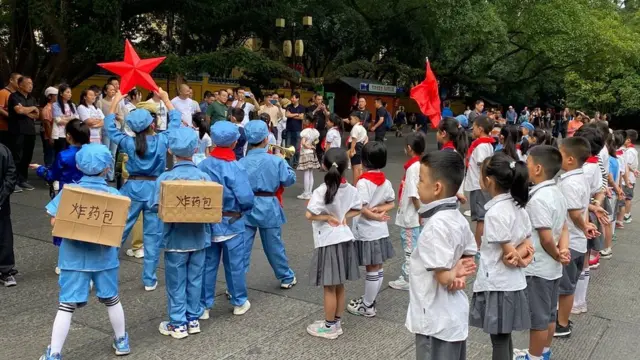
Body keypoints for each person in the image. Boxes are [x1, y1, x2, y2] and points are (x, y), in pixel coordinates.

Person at [39, 143, 130, 360]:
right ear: (107, 168)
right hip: (104, 258)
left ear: (79, 165)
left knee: (66, 305)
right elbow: (120, 223)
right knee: (112, 299)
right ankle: (122, 341)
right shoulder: (114, 195)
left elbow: (54, 221)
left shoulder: (70, 193)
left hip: (73, 258)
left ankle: (54, 352)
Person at [105, 88, 180, 291]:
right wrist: (166, 98)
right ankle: (149, 279)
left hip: (132, 188)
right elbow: (176, 123)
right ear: (152, 124)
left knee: (118, 232)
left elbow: (110, 129)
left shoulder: (128, 142)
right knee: (152, 237)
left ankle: (103, 274)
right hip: (155, 190)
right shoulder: (161, 140)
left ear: (131, 127)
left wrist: (115, 101)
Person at [406, 150, 477, 360]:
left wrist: (453, 274)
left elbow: (444, 277)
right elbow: (469, 257)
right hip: (452, 315)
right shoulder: (457, 218)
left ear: (437, 188)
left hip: (435, 320)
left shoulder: (435, 226)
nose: (417, 184)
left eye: (420, 180)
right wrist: (461, 276)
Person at [470, 152, 534, 360]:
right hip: (512, 282)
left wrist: (517, 257)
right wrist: (523, 256)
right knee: (504, 337)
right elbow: (526, 243)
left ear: (488, 181)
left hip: (497, 283)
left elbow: (509, 253)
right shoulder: (518, 206)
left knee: (498, 339)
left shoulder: (495, 213)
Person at [150, 127, 211, 339]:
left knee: (176, 282)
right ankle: (193, 319)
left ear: (170, 150)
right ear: (196, 148)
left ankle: (177, 323)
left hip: (174, 240)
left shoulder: (165, 179)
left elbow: (154, 206)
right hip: (200, 238)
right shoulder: (204, 177)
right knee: (195, 280)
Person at [513, 146, 569, 360]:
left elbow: (545, 238)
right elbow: (563, 227)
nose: (524, 167)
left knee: (538, 319)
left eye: (527, 163)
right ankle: (543, 353)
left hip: (539, 267)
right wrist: (562, 251)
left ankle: (533, 357)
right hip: (552, 268)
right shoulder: (557, 192)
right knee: (549, 315)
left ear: (537, 169)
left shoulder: (538, 200)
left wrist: (556, 254)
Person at [198, 121, 254, 319]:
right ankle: (238, 300)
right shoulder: (235, 167)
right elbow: (246, 198)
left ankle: (204, 306)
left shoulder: (202, 165)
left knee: (207, 264)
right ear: (234, 143)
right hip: (233, 221)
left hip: (208, 221)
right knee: (235, 265)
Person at [305, 148, 362, 339]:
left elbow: (309, 214)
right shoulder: (351, 189)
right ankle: (336, 322)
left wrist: (327, 216)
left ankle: (330, 327)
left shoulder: (321, 190)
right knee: (339, 284)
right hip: (345, 239)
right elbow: (358, 209)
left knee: (329, 286)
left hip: (328, 241)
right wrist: (344, 215)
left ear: (324, 165)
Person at [240, 120, 297, 288]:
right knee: (274, 245)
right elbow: (288, 180)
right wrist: (283, 161)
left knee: (242, 248)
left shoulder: (241, 162)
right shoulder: (276, 160)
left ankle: (236, 283)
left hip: (247, 204)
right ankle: (286, 277)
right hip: (269, 205)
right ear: (266, 138)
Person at [554, 137, 598, 338]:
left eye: (560, 154)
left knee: (565, 287)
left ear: (570, 159)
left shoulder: (570, 182)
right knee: (568, 285)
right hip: (578, 242)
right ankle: (561, 318)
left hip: (571, 240)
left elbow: (574, 213)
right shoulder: (579, 177)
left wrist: (584, 226)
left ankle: (561, 324)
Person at [346, 142, 395, 317]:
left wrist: (375, 215)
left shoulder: (363, 183)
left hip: (368, 232)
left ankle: (367, 305)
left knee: (371, 268)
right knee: (378, 266)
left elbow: (361, 208)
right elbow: (391, 203)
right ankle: (369, 299)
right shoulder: (386, 182)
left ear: (365, 161)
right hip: (380, 230)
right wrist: (381, 211)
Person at [31, 119, 90, 249]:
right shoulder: (92, 152)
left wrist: (40, 169)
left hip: (68, 194)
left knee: (63, 226)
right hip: (90, 192)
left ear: (68, 136)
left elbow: (52, 175)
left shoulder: (64, 155)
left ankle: (64, 261)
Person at [389, 133, 426, 291]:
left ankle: (409, 278)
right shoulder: (420, 164)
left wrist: (420, 213)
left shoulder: (413, 167)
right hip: (414, 214)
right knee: (414, 246)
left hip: (411, 215)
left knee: (410, 248)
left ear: (409, 148)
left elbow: (413, 193)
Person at [464, 115, 495, 248]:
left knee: (481, 218)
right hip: (480, 184)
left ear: (480, 129)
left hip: (479, 185)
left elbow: (483, 164)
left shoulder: (481, 146)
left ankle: (477, 246)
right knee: (482, 216)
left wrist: (483, 183)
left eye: (474, 128)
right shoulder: (486, 143)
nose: (473, 130)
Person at [7, 76, 39, 191]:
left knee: (27, 157)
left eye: (32, 83)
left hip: (30, 131)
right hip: (17, 131)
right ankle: (13, 181)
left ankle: (23, 180)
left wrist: (26, 110)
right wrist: (31, 109)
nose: (31, 85)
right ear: (20, 85)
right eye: (28, 83)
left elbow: (36, 114)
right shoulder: (14, 96)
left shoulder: (32, 98)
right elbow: (18, 110)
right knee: (17, 157)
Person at [97, 83, 123, 181]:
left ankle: (110, 176)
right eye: (110, 89)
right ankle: (103, 174)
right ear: (105, 91)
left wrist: (117, 116)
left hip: (116, 129)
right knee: (105, 151)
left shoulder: (117, 103)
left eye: (114, 90)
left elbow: (121, 117)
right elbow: (99, 116)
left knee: (113, 153)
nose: (113, 91)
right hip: (105, 130)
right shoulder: (100, 102)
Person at [0, 140, 17, 287]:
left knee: (4, 236)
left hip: (1, 201)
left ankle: (6, 270)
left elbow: (11, 174)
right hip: (2, 201)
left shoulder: (3, 150)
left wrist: (3, 196)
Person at [296, 116, 321, 200]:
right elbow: (316, 142)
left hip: (306, 153)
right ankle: (309, 192)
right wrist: (312, 147)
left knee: (306, 173)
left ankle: (306, 193)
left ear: (307, 121)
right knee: (310, 173)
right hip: (312, 153)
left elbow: (303, 143)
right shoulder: (315, 131)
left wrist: (308, 146)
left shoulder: (305, 131)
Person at [52, 84, 79, 157]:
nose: (70, 94)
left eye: (70, 92)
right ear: (61, 93)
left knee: (70, 154)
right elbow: (58, 120)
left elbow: (77, 118)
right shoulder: (56, 105)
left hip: (70, 134)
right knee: (60, 154)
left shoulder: (72, 105)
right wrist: (70, 119)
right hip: (60, 134)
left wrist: (65, 118)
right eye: (67, 92)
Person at [284, 92, 305, 167]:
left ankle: (296, 162)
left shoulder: (302, 107)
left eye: (293, 98)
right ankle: (289, 162)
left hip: (298, 129)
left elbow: (302, 117)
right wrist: (296, 114)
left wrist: (291, 115)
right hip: (289, 129)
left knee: (297, 147)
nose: (292, 99)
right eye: (291, 97)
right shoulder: (289, 106)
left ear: (298, 98)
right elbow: (286, 115)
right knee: (288, 146)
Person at [0, 73, 21, 147]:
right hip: (4, 129)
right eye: (18, 80)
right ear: (11, 80)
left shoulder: (17, 95)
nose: (20, 82)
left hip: (14, 128)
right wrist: (11, 117)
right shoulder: (3, 92)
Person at [347, 114, 368, 183]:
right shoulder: (362, 127)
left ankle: (356, 184)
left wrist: (352, 151)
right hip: (360, 146)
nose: (350, 121)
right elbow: (366, 138)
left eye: (351, 119)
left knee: (355, 167)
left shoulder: (356, 128)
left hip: (356, 146)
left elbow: (354, 140)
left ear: (356, 119)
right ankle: (359, 183)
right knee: (359, 167)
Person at [40, 87, 58, 168]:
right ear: (50, 97)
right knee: (50, 156)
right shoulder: (47, 109)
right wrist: (51, 137)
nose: (57, 97)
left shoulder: (56, 107)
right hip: (50, 136)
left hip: (56, 135)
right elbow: (47, 124)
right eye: (55, 95)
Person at [623, 129, 638, 224]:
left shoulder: (630, 151)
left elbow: (626, 165)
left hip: (628, 179)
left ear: (628, 139)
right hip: (628, 178)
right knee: (626, 197)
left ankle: (627, 215)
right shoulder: (630, 150)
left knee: (627, 197)